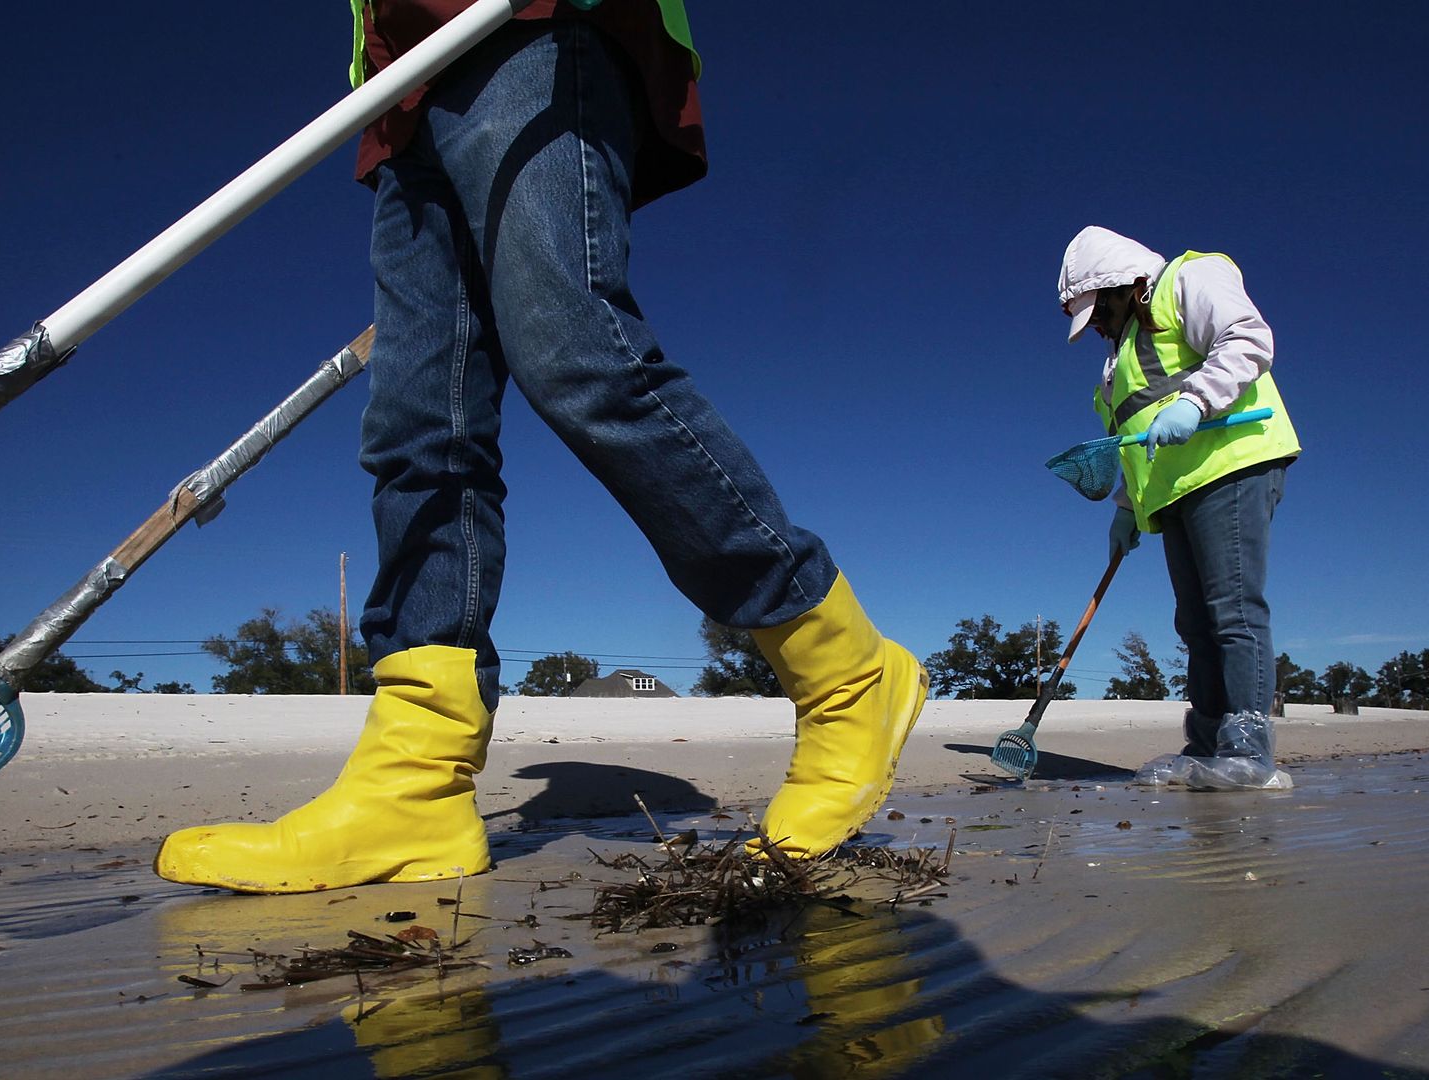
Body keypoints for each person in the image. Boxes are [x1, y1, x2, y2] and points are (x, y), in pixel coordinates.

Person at [155, 1, 927, 893]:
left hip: (524, 29)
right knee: (416, 431)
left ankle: (843, 673)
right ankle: (415, 783)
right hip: (401, 95)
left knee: (577, 354)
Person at [1056, 226, 1301, 788]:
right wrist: (1124, 507)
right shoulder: (1116, 365)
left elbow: (1247, 337)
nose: (1096, 324)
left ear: (1125, 284)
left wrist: (1195, 400)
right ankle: (1208, 747)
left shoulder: (1188, 279)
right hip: (1173, 493)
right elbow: (1137, 439)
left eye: (1098, 309)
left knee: (1232, 610)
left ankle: (1249, 751)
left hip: (1231, 466)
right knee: (1194, 622)